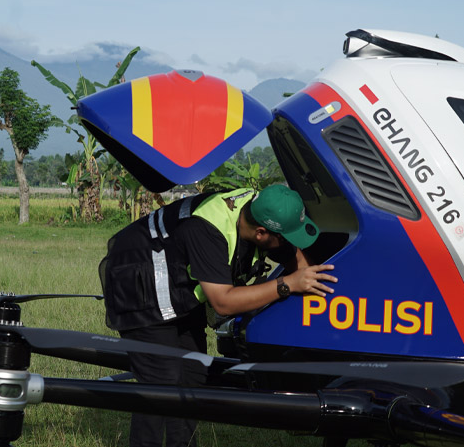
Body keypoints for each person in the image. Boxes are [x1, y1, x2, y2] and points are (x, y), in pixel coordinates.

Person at [99, 184, 336, 447]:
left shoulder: (260, 210)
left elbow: (296, 260)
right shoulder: (207, 230)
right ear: (261, 233)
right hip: (140, 286)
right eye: (285, 238)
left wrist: (314, 282)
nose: (289, 244)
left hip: (180, 285)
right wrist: (286, 284)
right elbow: (223, 302)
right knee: (160, 382)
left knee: (192, 374)